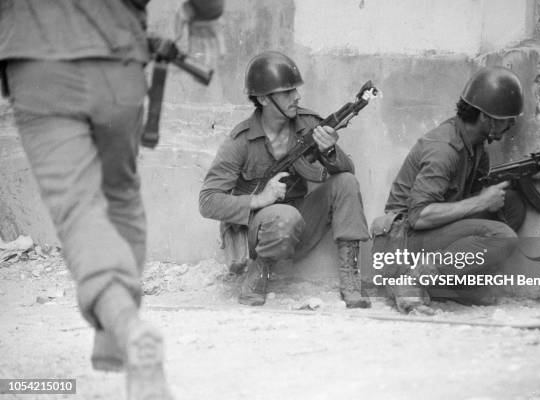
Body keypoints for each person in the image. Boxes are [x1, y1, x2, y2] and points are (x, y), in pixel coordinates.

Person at [0, 1, 223, 399]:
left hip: (38, 61)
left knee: (79, 208)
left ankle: (127, 327)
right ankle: (113, 335)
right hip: (118, 59)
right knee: (120, 193)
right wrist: (204, 14)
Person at [373, 66, 540, 314]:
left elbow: (471, 191)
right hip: (401, 241)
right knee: (503, 237)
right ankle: (411, 278)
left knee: (511, 205)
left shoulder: (476, 145)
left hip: (429, 234)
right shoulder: (444, 149)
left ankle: (443, 282)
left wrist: (528, 174)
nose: (512, 124)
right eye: (507, 118)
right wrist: (481, 203)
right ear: (486, 117)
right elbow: (419, 216)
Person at [199, 51, 371, 308]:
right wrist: (259, 199)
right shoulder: (241, 141)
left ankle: (350, 277)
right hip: (262, 229)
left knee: (346, 181)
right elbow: (208, 201)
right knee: (283, 216)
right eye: (287, 92)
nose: (297, 96)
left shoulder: (309, 123)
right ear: (263, 99)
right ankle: (259, 274)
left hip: (303, 219)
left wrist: (330, 151)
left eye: (296, 90)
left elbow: (348, 169)